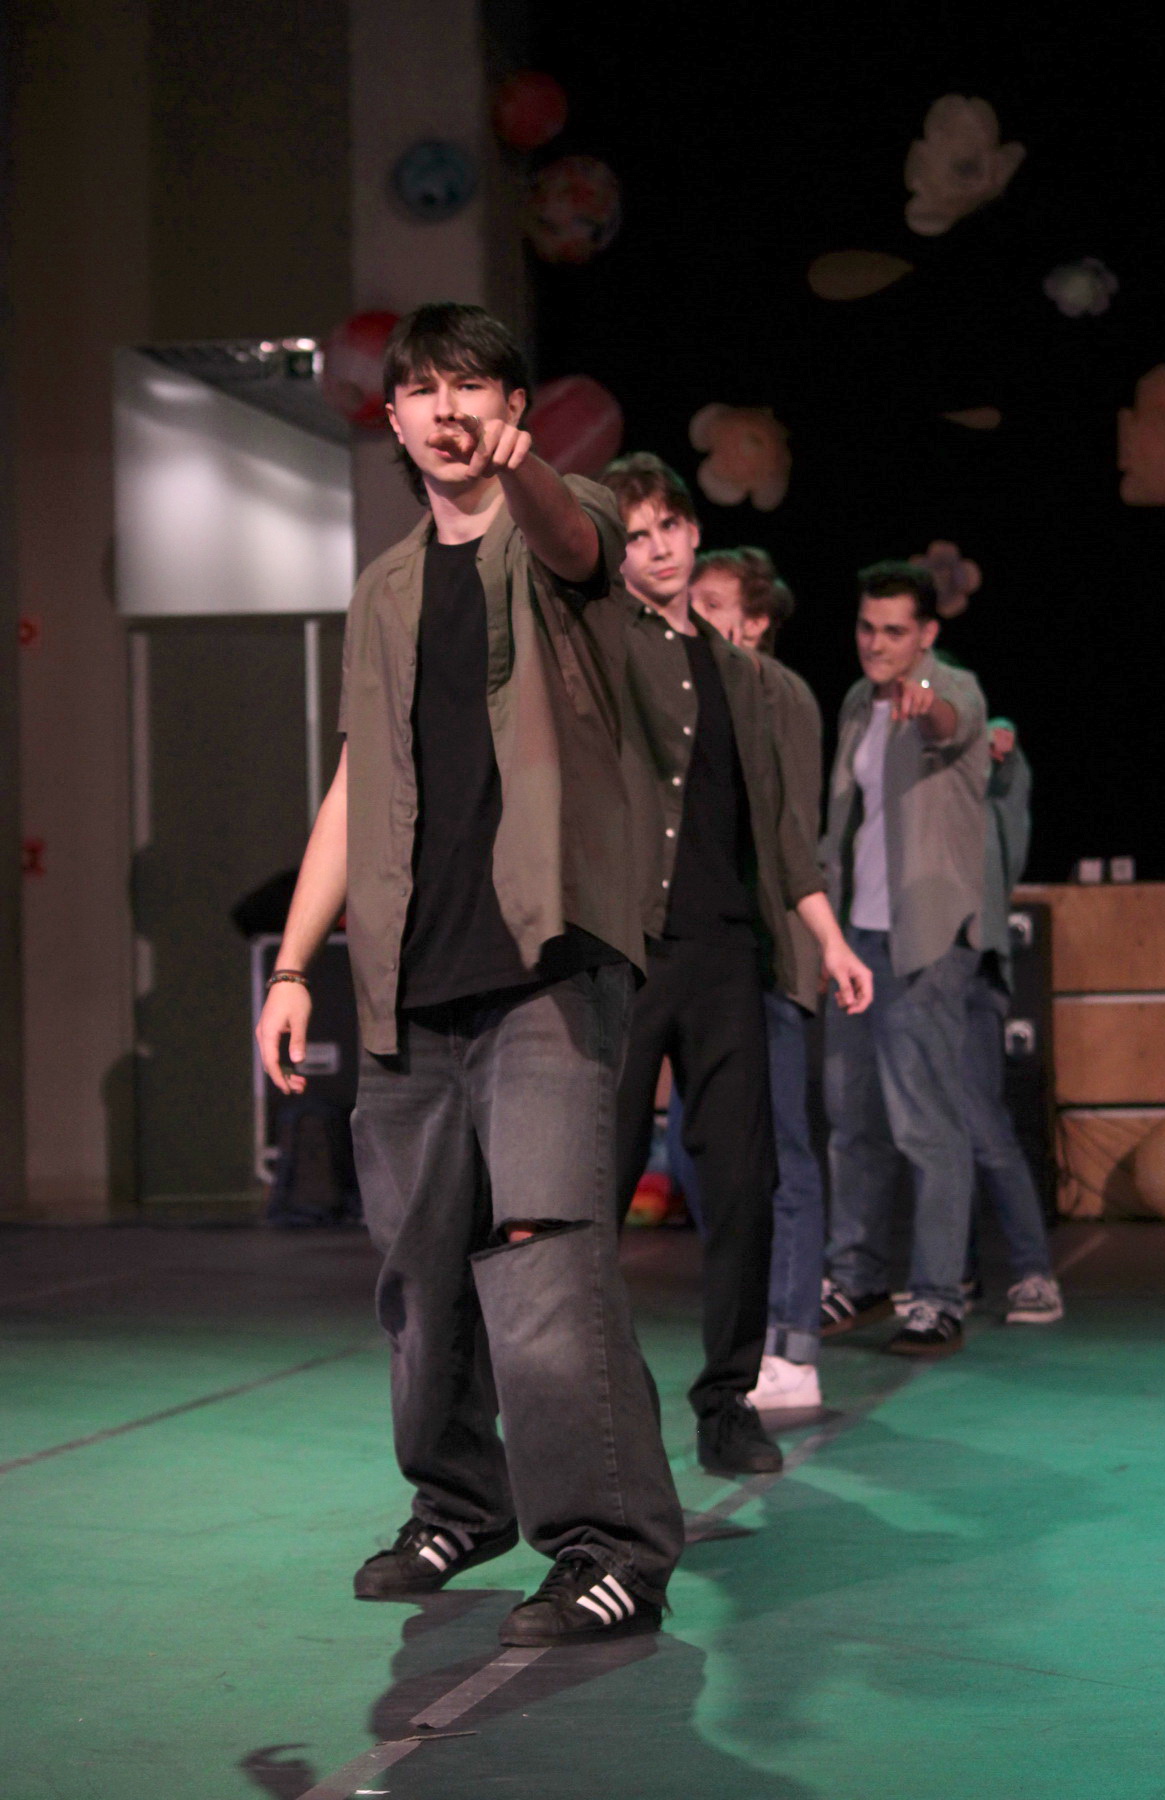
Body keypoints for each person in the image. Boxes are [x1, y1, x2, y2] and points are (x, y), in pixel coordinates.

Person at [255, 304, 683, 1647]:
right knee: (420, 1280)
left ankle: (611, 1546)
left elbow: (577, 542)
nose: (449, 409)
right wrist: (295, 964)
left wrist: (526, 469)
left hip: (544, 965)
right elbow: (353, 783)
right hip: (406, 979)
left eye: (476, 387)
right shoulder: (384, 588)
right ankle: (457, 1503)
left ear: (512, 407)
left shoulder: (562, 524)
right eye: (425, 389)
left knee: (547, 1263)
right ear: (390, 415)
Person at [600, 454, 872, 1476]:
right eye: (636, 534)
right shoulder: (602, 644)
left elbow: (779, 827)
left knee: (745, 1182)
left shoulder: (744, 676)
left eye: (669, 526)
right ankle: (598, 1413)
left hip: (726, 953)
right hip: (628, 953)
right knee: (600, 1183)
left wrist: (829, 938)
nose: (659, 547)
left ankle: (727, 1403)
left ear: (692, 531)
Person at [820, 560, 988, 1357]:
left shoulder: (951, 689)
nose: (876, 643)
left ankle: (938, 1295)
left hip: (924, 941)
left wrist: (928, 707)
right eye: (866, 627)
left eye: (894, 631)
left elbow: (953, 723)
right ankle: (856, 1278)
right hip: (857, 938)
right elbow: (843, 822)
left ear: (926, 634)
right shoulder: (859, 701)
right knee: (851, 1120)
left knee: (927, 1125)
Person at [689, 548, 826, 1412]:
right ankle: (752, 1329)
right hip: (719, 956)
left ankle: (794, 1342)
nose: (695, 613)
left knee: (785, 1153)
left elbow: (788, 833)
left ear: (756, 620)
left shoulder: (775, 692)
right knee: (707, 1153)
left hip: (774, 949)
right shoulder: (701, 683)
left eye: (713, 602)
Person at [966, 718, 1064, 1323]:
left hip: (972, 970)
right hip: (917, 973)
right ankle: (953, 1273)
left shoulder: (990, 800)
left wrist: (1000, 735)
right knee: (937, 1132)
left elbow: (1007, 766)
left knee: (983, 1124)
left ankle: (1034, 1272)